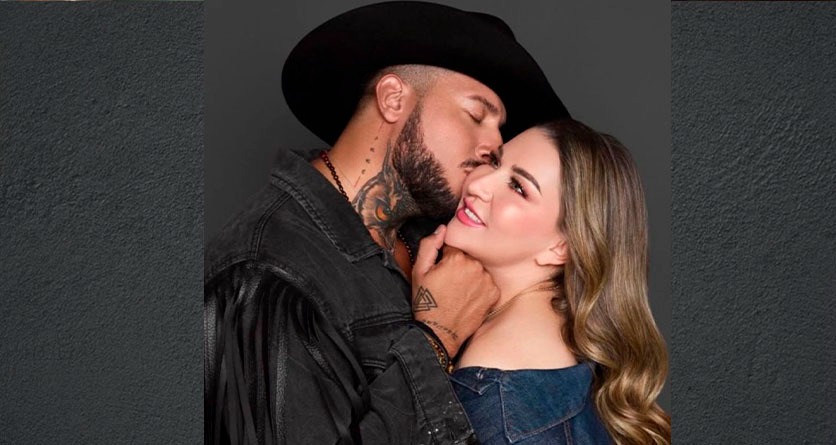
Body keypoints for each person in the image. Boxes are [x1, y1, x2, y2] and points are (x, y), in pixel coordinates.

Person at [203, 2, 569, 444]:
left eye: (499, 129)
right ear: (393, 99)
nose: (494, 145)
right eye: (476, 116)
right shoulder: (265, 273)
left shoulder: (436, 236)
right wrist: (436, 338)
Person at [409, 120, 670, 444]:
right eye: (494, 162)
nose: (478, 184)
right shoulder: (553, 352)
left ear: (561, 248)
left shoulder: (498, 396)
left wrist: (429, 338)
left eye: (518, 187)